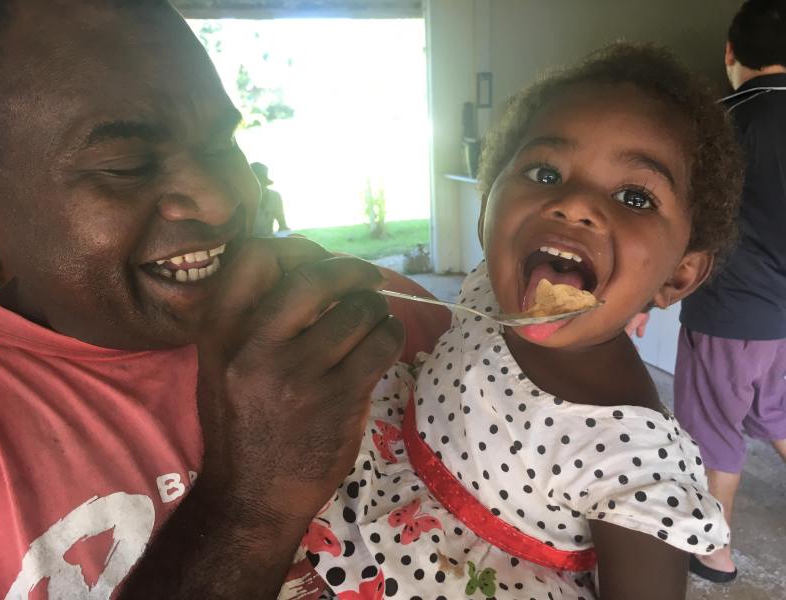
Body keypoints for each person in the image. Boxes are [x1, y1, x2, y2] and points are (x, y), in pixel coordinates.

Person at [0, 1, 451, 598]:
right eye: (126, 166)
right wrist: (251, 501)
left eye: (221, 143)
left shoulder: (369, 317)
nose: (219, 200)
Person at [296, 44, 744, 600]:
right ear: (487, 207)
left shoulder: (636, 459)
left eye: (634, 196)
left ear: (677, 275)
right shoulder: (488, 285)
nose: (575, 204)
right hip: (368, 482)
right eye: (545, 171)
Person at [674, 0, 786, 584]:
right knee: (778, 413)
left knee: (715, 429)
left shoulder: (719, 123)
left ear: (730, 53)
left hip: (728, 312)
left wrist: (649, 295)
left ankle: (714, 551)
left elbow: (685, 222)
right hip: (782, 319)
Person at [251, 161, 290, 236]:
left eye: (260, 180)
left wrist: (286, 233)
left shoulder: (275, 197)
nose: (258, 184)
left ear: (265, 182)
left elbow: (282, 223)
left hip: (270, 239)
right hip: (250, 242)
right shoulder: (244, 199)